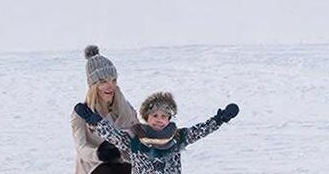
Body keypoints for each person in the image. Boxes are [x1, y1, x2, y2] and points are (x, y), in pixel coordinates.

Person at [74, 92, 239, 174]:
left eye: (164, 116)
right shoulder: (136, 139)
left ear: (169, 118)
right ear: (147, 117)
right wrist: (93, 119)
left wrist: (219, 119)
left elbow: (200, 131)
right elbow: (112, 134)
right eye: (155, 116)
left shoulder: (178, 137)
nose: (159, 119)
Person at [73, 46, 138, 174]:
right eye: (103, 82)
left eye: (114, 80)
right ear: (93, 85)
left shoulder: (125, 109)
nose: (111, 86)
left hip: (124, 162)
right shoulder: (81, 113)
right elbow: (81, 148)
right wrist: (99, 154)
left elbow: (137, 134)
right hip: (94, 166)